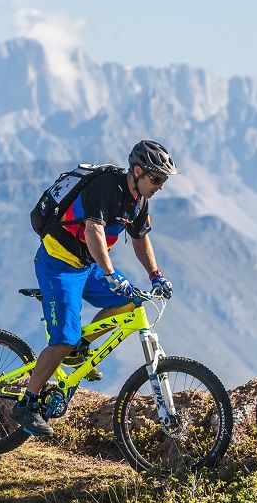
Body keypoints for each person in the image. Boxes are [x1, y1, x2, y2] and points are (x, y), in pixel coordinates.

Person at [11, 139, 178, 436]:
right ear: (137, 171)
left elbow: (140, 237)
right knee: (63, 339)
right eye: (156, 178)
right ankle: (27, 403)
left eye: (163, 180)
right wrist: (112, 273)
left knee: (133, 303)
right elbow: (93, 230)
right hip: (58, 264)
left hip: (89, 265)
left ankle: (81, 349)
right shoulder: (106, 187)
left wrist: (155, 275)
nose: (160, 186)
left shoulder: (139, 200)